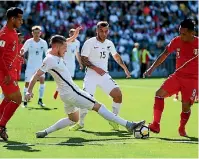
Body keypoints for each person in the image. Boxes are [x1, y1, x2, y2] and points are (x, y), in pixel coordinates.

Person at [25, 34, 145, 138]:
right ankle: (129, 125)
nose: (66, 50)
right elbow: (36, 75)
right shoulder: (50, 59)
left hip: (65, 95)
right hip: (72, 92)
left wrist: (73, 36)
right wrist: (28, 91)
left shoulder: (51, 52)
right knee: (99, 106)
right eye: (64, 48)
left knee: (73, 119)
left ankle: (45, 132)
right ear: (56, 47)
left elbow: (63, 42)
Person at [69, 21, 131, 131]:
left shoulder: (109, 43)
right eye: (101, 31)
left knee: (118, 95)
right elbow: (84, 59)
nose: (104, 34)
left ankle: (113, 119)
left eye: (106, 31)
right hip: (91, 76)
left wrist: (125, 68)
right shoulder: (89, 42)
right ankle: (81, 123)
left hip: (104, 76)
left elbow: (116, 56)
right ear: (97, 30)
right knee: (86, 100)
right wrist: (96, 68)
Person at [144, 19, 198, 137]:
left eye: (183, 34)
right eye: (180, 32)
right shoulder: (176, 41)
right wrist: (152, 68)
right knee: (159, 94)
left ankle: (182, 128)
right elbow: (164, 54)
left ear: (192, 33)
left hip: (193, 80)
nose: (180, 36)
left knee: (185, 107)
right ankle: (155, 125)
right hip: (177, 76)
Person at [0, 7, 23, 141]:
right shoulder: (3, 34)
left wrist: (17, 58)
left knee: (9, 98)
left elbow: (9, 52)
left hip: (10, 71)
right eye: (19, 18)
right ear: (12, 19)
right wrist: (7, 73)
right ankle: (1, 126)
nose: (21, 21)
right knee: (17, 99)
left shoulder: (13, 32)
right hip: (4, 73)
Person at [20, 26, 48, 107]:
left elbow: (47, 54)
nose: (37, 34)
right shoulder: (29, 42)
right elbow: (23, 50)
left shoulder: (43, 42)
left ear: (40, 33)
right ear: (32, 33)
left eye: (38, 32)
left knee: (42, 81)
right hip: (30, 66)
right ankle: (25, 101)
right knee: (27, 83)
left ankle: (40, 100)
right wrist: (21, 52)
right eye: (35, 33)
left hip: (40, 66)